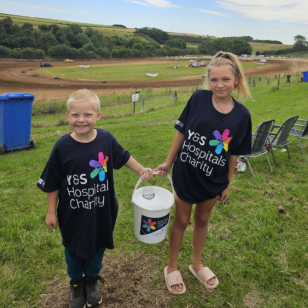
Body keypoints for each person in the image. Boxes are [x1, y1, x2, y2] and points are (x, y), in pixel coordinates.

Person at [37, 89, 152, 308]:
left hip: (102, 212)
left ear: (98, 115)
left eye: (87, 115)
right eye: (75, 115)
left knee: (97, 249)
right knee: (73, 252)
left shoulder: (106, 140)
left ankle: (91, 281)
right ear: (67, 116)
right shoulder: (62, 147)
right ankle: (75, 285)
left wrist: (140, 170)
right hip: (72, 216)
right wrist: (51, 211)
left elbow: (124, 156)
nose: (81, 120)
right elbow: (51, 182)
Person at [155, 51, 252, 294]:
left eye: (226, 79)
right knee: (182, 220)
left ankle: (196, 264)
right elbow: (181, 133)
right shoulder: (197, 99)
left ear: (237, 80)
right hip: (186, 174)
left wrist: (226, 183)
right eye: (214, 79)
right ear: (208, 80)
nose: (219, 85)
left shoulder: (242, 115)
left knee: (202, 220)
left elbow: (233, 153)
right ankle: (172, 267)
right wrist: (168, 162)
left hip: (213, 179)